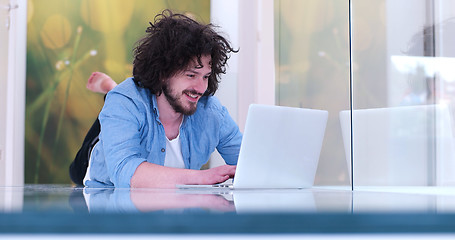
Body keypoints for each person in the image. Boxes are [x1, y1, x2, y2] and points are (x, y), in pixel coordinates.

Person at [69, 10, 242, 188]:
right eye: (191, 75)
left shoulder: (212, 112)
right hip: (100, 174)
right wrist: (202, 177)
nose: (201, 88)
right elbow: (124, 171)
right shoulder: (124, 102)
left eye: (205, 77)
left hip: (165, 207)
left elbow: (248, 164)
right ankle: (111, 90)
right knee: (77, 168)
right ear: (163, 73)